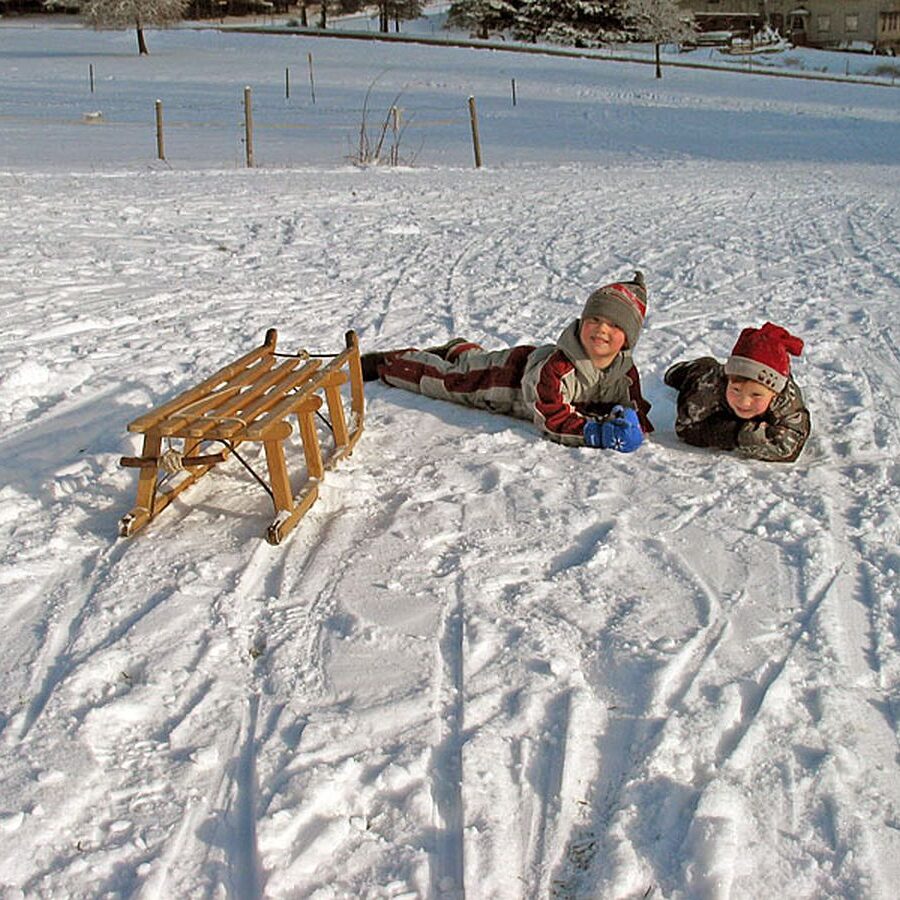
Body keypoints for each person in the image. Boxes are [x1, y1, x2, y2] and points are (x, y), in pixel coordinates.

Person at [360, 272, 653, 452]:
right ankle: (392, 363)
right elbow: (551, 417)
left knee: (472, 362)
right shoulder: (559, 368)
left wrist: (630, 422)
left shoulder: (625, 372)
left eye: (614, 326)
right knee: (448, 380)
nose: (602, 330)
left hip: (517, 365)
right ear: (582, 322)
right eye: (595, 320)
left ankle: (458, 349)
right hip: (506, 381)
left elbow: (635, 408)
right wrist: (597, 433)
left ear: (627, 339)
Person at [664, 322, 810, 463]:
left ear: (775, 394)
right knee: (697, 373)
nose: (744, 401)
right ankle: (690, 368)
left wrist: (742, 434)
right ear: (728, 381)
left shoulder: (786, 400)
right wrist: (730, 432)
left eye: (756, 395)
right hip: (704, 374)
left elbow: (788, 447)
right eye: (736, 390)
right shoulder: (710, 386)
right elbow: (685, 427)